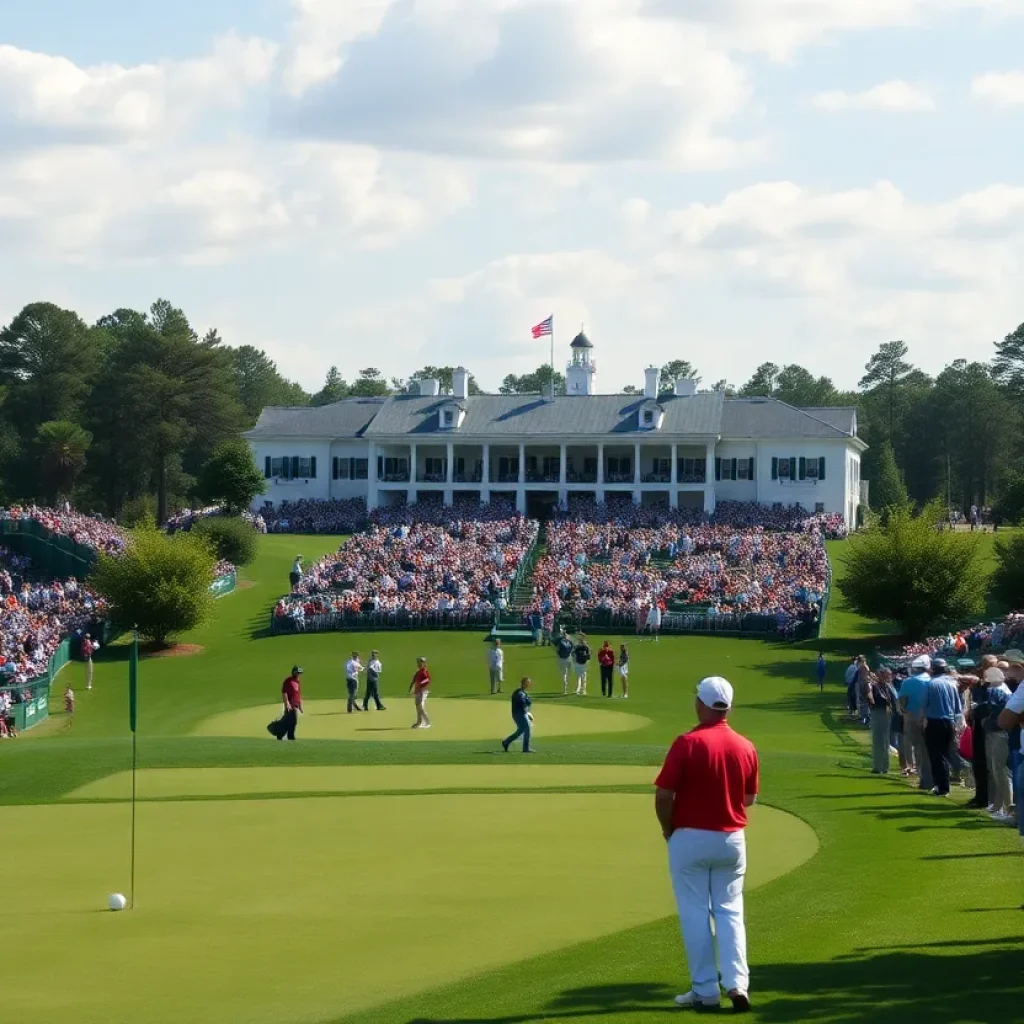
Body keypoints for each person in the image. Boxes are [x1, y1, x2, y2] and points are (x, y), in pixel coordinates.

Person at [655, 676, 758, 1014]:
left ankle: (705, 990)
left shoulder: (687, 743)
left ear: (701, 703)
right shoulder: (745, 745)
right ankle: (737, 984)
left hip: (690, 838)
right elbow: (749, 798)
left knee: (695, 913)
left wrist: (668, 830)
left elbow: (664, 795)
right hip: (732, 840)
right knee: (730, 912)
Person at [922, 660, 963, 797]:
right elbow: (958, 707)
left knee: (936, 756)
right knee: (945, 754)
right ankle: (944, 785)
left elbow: (924, 704)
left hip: (935, 722)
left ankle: (941, 786)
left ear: (933, 670)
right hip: (949, 722)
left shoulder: (930, 684)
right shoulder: (952, 684)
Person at [981, 667, 1013, 821]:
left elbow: (989, 710)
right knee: (998, 770)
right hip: (1002, 733)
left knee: (1000, 771)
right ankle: (999, 805)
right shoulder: (1004, 688)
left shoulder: (995, 691)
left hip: (999, 733)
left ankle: (1008, 808)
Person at [899, 656, 933, 791]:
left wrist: (904, 712)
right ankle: (926, 775)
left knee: (915, 746)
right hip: (928, 716)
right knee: (926, 748)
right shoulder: (931, 681)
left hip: (911, 716)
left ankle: (920, 774)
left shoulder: (907, 682)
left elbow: (902, 701)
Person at [867, 668, 897, 774]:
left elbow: (878, 699)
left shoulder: (884, 686)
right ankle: (882, 766)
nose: (888, 677)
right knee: (881, 741)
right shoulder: (880, 686)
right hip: (882, 713)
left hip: (882, 714)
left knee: (881, 741)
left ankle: (881, 766)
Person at [502, 676, 534, 753]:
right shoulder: (519, 693)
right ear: (523, 683)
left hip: (521, 713)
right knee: (527, 728)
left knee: (521, 730)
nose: (528, 684)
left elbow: (527, 703)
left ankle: (506, 742)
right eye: (527, 683)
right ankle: (526, 748)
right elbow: (522, 704)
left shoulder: (523, 692)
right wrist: (527, 713)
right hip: (519, 714)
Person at [280, 666, 303, 741]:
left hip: (295, 704)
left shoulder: (297, 681)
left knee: (289, 721)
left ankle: (282, 734)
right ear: (294, 672)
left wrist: (300, 705)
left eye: (299, 673)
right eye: (297, 673)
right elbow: (284, 693)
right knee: (291, 721)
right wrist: (287, 704)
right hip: (290, 705)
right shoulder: (288, 681)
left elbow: (298, 694)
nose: (299, 674)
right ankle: (290, 736)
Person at [409, 656, 432, 729]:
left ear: (423, 663)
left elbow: (428, 680)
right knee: (418, 707)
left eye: (421, 662)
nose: (419, 664)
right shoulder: (418, 671)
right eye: (418, 662)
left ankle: (428, 722)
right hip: (417, 691)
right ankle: (419, 722)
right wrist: (411, 690)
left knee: (421, 707)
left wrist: (421, 684)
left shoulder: (424, 671)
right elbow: (414, 681)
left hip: (423, 692)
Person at [555, 629, 574, 694]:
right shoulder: (566, 642)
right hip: (566, 658)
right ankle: (566, 688)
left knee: (566, 674)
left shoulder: (563, 642)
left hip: (565, 658)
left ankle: (567, 688)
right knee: (566, 674)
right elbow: (571, 650)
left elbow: (557, 650)